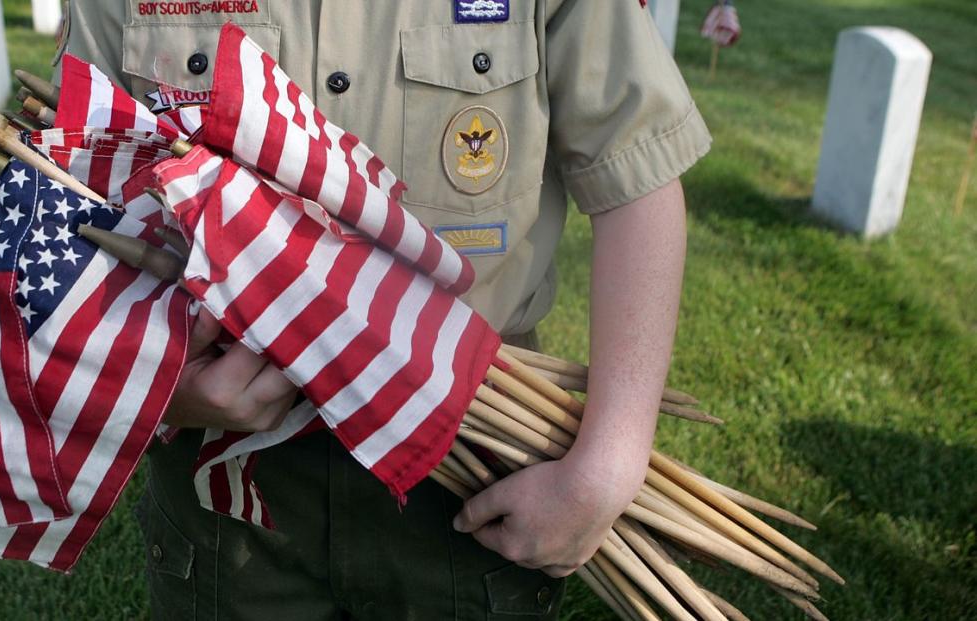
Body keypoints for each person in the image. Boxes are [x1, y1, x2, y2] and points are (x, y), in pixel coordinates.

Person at [58, 1, 709, 618]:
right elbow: (73, 196)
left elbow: (637, 175)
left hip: (478, 454)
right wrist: (162, 385)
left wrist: (608, 462)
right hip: (227, 469)